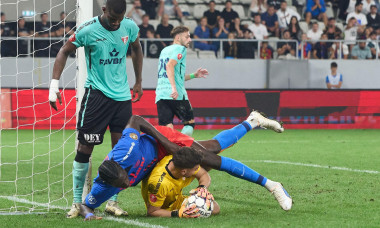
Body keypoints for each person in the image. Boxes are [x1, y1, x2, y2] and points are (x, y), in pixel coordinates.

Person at [79, 112, 291, 220]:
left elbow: (136, 120)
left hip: (163, 144)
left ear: (122, 167)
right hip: (157, 165)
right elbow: (86, 205)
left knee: (212, 160)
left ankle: (272, 185)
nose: (126, 183)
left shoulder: (126, 150)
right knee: (214, 148)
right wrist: (88, 214)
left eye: (125, 178)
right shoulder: (104, 186)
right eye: (121, 184)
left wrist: (166, 143)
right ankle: (252, 121)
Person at [48, 0, 143, 218]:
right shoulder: (88, 29)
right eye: (112, 19)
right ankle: (76, 203)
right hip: (96, 97)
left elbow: (136, 48)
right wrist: (54, 85)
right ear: (103, 11)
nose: (115, 23)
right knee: (85, 148)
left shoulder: (129, 26)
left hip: (122, 99)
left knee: (121, 152)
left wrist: (138, 81)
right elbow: (64, 50)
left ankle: (113, 201)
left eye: (119, 19)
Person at [155, 26, 208, 137]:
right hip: (177, 95)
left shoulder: (164, 50)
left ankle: (171, 151)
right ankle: (180, 148)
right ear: (178, 38)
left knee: (167, 128)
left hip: (161, 94)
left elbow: (173, 74)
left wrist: (194, 75)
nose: (190, 40)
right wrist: (174, 88)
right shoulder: (180, 49)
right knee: (189, 124)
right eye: (187, 37)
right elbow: (170, 66)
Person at [141, 148, 220, 218]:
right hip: (164, 208)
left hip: (177, 200)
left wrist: (202, 188)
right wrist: (179, 214)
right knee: (204, 210)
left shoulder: (180, 162)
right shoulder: (160, 183)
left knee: (214, 208)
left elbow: (203, 174)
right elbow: (152, 212)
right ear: (184, 172)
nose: (197, 170)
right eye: (195, 168)